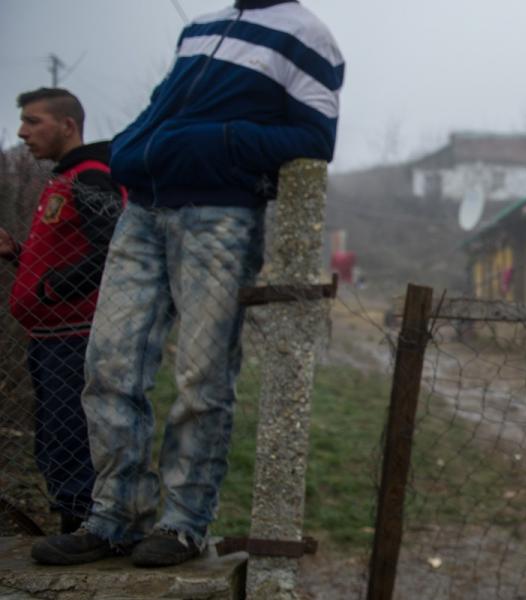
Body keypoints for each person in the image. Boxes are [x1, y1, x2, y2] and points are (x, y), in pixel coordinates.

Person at [31, 0, 344, 567]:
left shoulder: (307, 36)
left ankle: (183, 524)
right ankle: (114, 517)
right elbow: (160, 108)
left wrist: (215, 145)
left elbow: (315, 136)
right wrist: (133, 147)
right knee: (108, 366)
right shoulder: (199, 29)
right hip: (143, 210)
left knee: (202, 378)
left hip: (220, 216)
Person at [2, 88, 123, 535]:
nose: (22, 132)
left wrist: (52, 290)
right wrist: (18, 255)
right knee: (54, 436)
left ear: (67, 125)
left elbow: (112, 249)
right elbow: (69, 252)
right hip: (50, 336)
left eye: (34, 121)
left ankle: (84, 531)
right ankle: (72, 524)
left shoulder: (91, 177)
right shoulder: (65, 179)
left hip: (76, 338)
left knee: (71, 436)